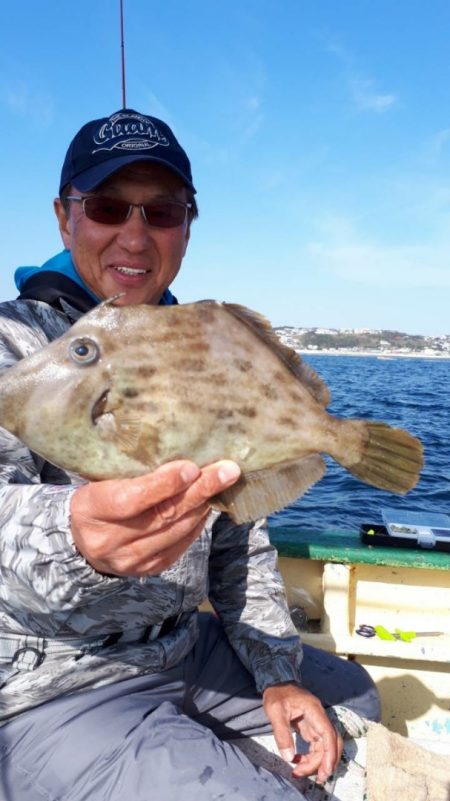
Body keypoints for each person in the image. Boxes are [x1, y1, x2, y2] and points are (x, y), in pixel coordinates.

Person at [0, 108, 380, 801]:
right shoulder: (11, 344)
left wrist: (277, 672)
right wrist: (72, 535)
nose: (136, 235)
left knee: (355, 695)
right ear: (65, 217)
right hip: (50, 680)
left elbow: (239, 533)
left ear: (187, 223)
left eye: (164, 211)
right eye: (109, 206)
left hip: (183, 648)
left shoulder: (203, 341)